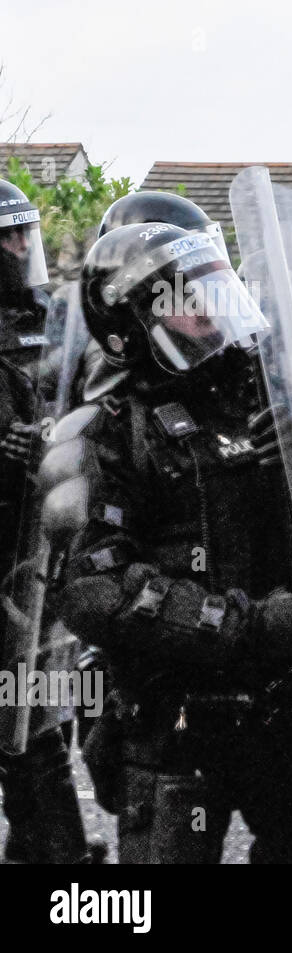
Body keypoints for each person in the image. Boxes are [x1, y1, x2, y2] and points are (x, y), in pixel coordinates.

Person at [42, 221, 292, 863]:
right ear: (129, 326)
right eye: (180, 298)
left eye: (210, 289)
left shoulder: (278, 400)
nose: (205, 308)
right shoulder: (102, 433)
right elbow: (96, 591)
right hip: (172, 729)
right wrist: (259, 625)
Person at [0, 179, 92, 864]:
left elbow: (98, 419)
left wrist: (55, 444)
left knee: (36, 731)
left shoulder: (61, 323)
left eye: (26, 230)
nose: (22, 244)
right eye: (9, 234)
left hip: (36, 563)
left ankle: (57, 861)